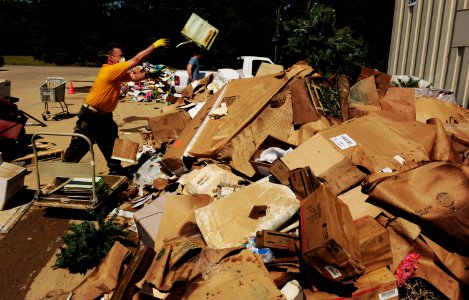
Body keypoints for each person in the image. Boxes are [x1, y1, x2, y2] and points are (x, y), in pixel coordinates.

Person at [62, 38, 169, 175]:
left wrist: (149, 74)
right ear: (111, 58)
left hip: (104, 116)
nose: (123, 58)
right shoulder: (111, 70)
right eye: (120, 56)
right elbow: (136, 60)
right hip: (90, 116)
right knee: (79, 146)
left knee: (112, 145)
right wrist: (153, 46)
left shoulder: (116, 73)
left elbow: (133, 77)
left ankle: (116, 171)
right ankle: (62, 177)